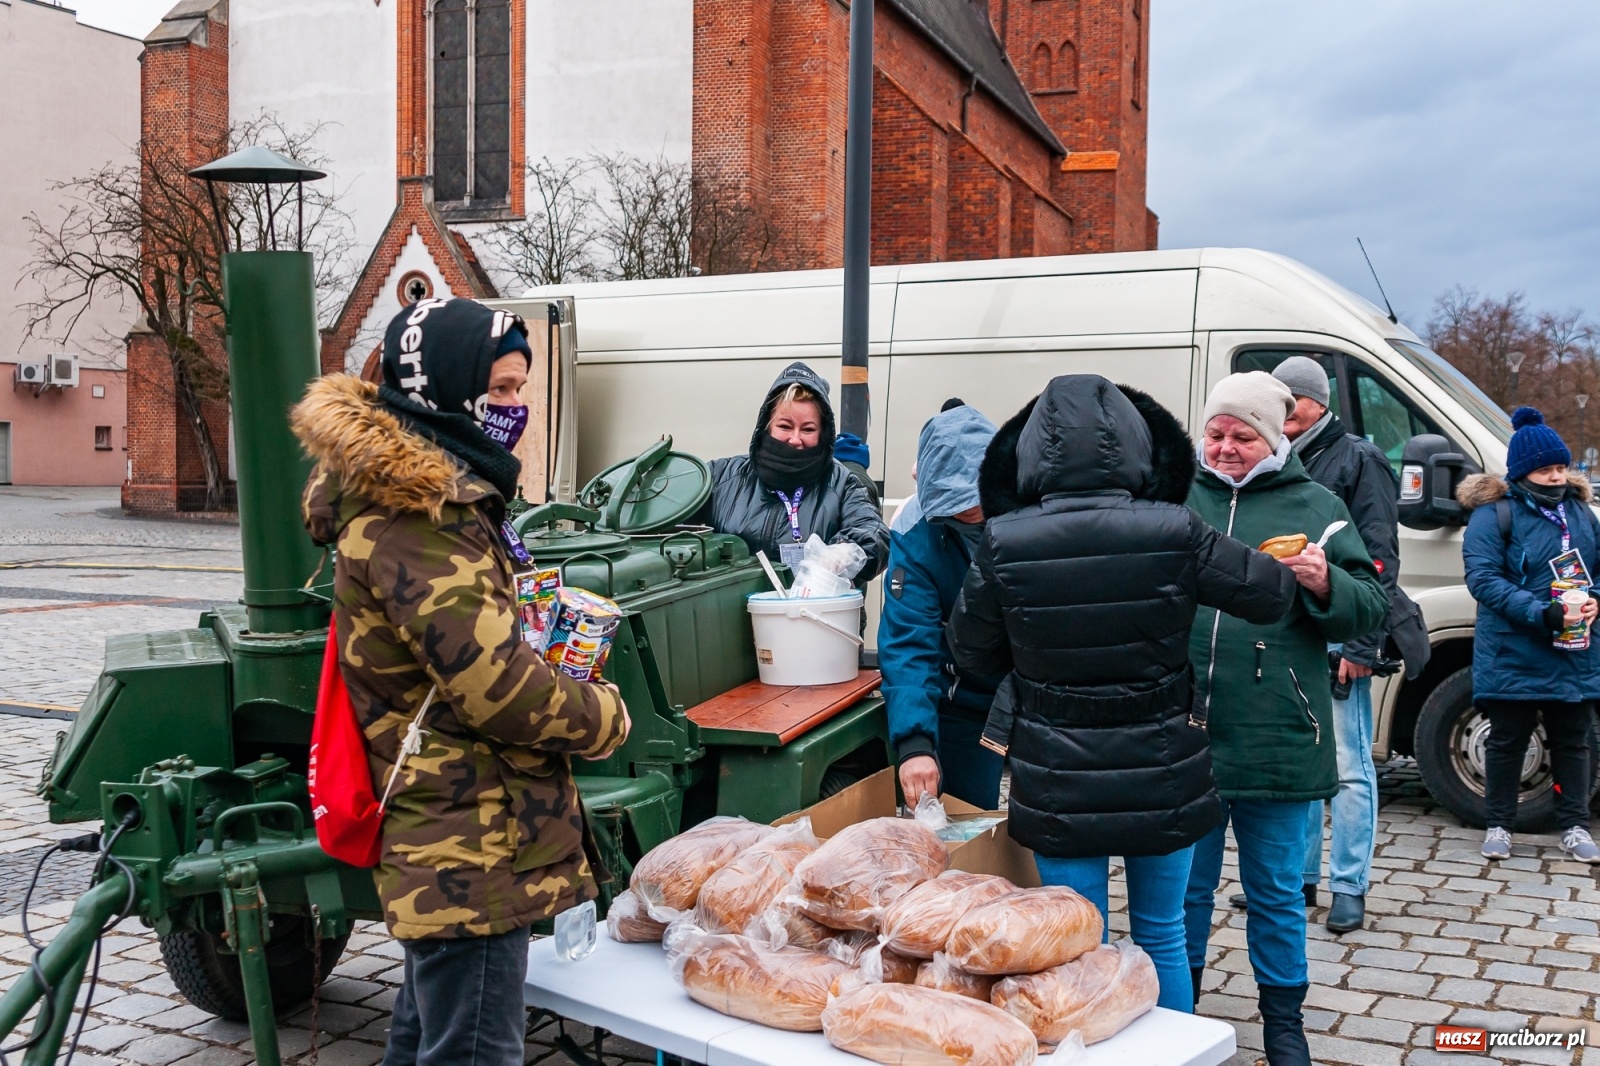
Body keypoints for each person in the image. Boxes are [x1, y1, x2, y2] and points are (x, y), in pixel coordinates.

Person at [292, 297, 631, 1066]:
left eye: (520, 391)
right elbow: (499, 691)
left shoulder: (438, 498)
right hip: (467, 846)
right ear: (443, 390)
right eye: (501, 391)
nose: (514, 410)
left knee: (427, 1044)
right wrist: (603, 717)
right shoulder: (421, 516)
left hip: (456, 833)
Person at [945, 375, 1297, 1014]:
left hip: (1056, 770)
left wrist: (1031, 654)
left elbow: (969, 651)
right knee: (1162, 932)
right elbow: (1269, 594)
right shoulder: (1175, 528)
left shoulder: (1006, 541)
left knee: (1080, 944)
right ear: (1140, 447)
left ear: (1030, 454)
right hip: (1163, 762)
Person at [1181, 371, 1387, 1066]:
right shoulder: (1176, 499)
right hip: (1186, 736)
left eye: (1242, 435)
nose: (1226, 448)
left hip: (1277, 730)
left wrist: (1329, 583)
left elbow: (1371, 606)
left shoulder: (1317, 503)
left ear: (1274, 438)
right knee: (1186, 893)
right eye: (1215, 434)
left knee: (1273, 893)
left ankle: (1283, 1025)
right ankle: (1180, 1014)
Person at [1267, 356, 1427, 934]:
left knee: (1350, 767)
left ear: (1317, 402)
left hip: (1341, 635)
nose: (1283, 409)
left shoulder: (1358, 458)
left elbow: (1380, 559)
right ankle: (1301, 881)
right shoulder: (1277, 455)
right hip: (1293, 636)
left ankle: (1349, 885)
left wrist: (1361, 644)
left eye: (1292, 399)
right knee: (1304, 766)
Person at [1458, 406, 1600, 863]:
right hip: (1513, 647)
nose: (1557, 477)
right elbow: (1482, 579)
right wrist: (1541, 613)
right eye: (1546, 470)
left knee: (1574, 739)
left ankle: (1574, 825)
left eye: (1562, 468)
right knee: (1506, 739)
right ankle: (1499, 822)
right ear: (1523, 473)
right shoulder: (1493, 515)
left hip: (1572, 648)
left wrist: (1595, 599)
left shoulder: (1581, 513)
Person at [882, 403, 1004, 809]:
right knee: (968, 826)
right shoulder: (914, 530)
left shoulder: (1034, 511)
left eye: (976, 497)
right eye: (953, 502)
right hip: (962, 703)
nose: (967, 509)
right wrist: (915, 743)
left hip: (1037, 696)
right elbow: (909, 638)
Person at [701, 362, 888, 584]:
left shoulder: (843, 484)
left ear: (823, 433)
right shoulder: (722, 475)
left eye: (808, 429)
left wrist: (843, 552)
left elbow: (874, 535)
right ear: (767, 426)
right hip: (732, 614)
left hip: (814, 614)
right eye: (785, 426)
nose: (795, 439)